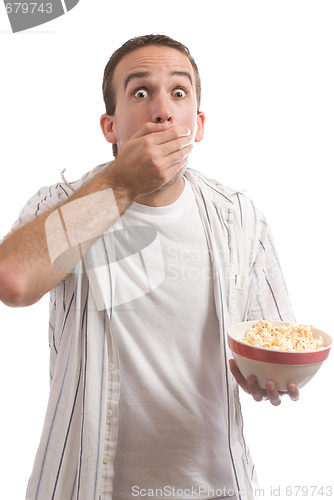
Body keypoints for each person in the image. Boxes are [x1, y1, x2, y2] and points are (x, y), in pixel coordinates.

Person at [0, 34, 299, 500]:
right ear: (110, 126)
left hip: (217, 488)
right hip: (82, 486)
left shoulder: (239, 217)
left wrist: (270, 378)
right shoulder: (59, 205)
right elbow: (13, 281)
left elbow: (271, 341)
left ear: (197, 125)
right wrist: (120, 182)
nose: (162, 110)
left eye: (179, 93)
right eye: (141, 93)